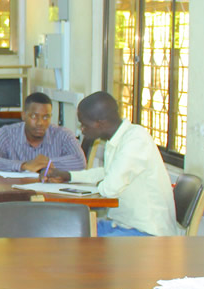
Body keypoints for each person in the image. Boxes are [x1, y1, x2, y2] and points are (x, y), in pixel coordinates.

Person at [44, 92, 178, 238]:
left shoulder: (136, 139)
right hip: (121, 225)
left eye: (84, 124)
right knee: (61, 232)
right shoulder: (116, 139)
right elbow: (107, 173)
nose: (81, 129)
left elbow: (110, 188)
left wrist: (103, 183)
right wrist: (68, 176)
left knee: (81, 248)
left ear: (100, 123)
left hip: (147, 233)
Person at [0, 92, 85, 172]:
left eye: (45, 117)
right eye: (34, 116)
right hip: (16, 195)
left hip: (50, 195)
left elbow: (80, 162)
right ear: (24, 115)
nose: (40, 123)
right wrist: (23, 165)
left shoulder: (63, 135)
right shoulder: (6, 133)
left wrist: (46, 164)